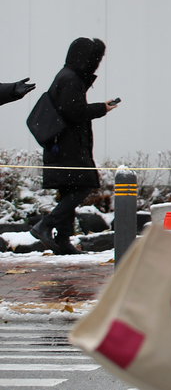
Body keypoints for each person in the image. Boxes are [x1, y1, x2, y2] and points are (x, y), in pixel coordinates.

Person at [31, 38, 117, 255]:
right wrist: (101, 108)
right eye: (93, 60)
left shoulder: (67, 76)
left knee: (70, 190)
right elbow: (74, 112)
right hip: (69, 148)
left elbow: (70, 109)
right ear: (84, 59)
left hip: (62, 147)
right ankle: (45, 225)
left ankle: (62, 242)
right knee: (82, 187)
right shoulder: (70, 79)